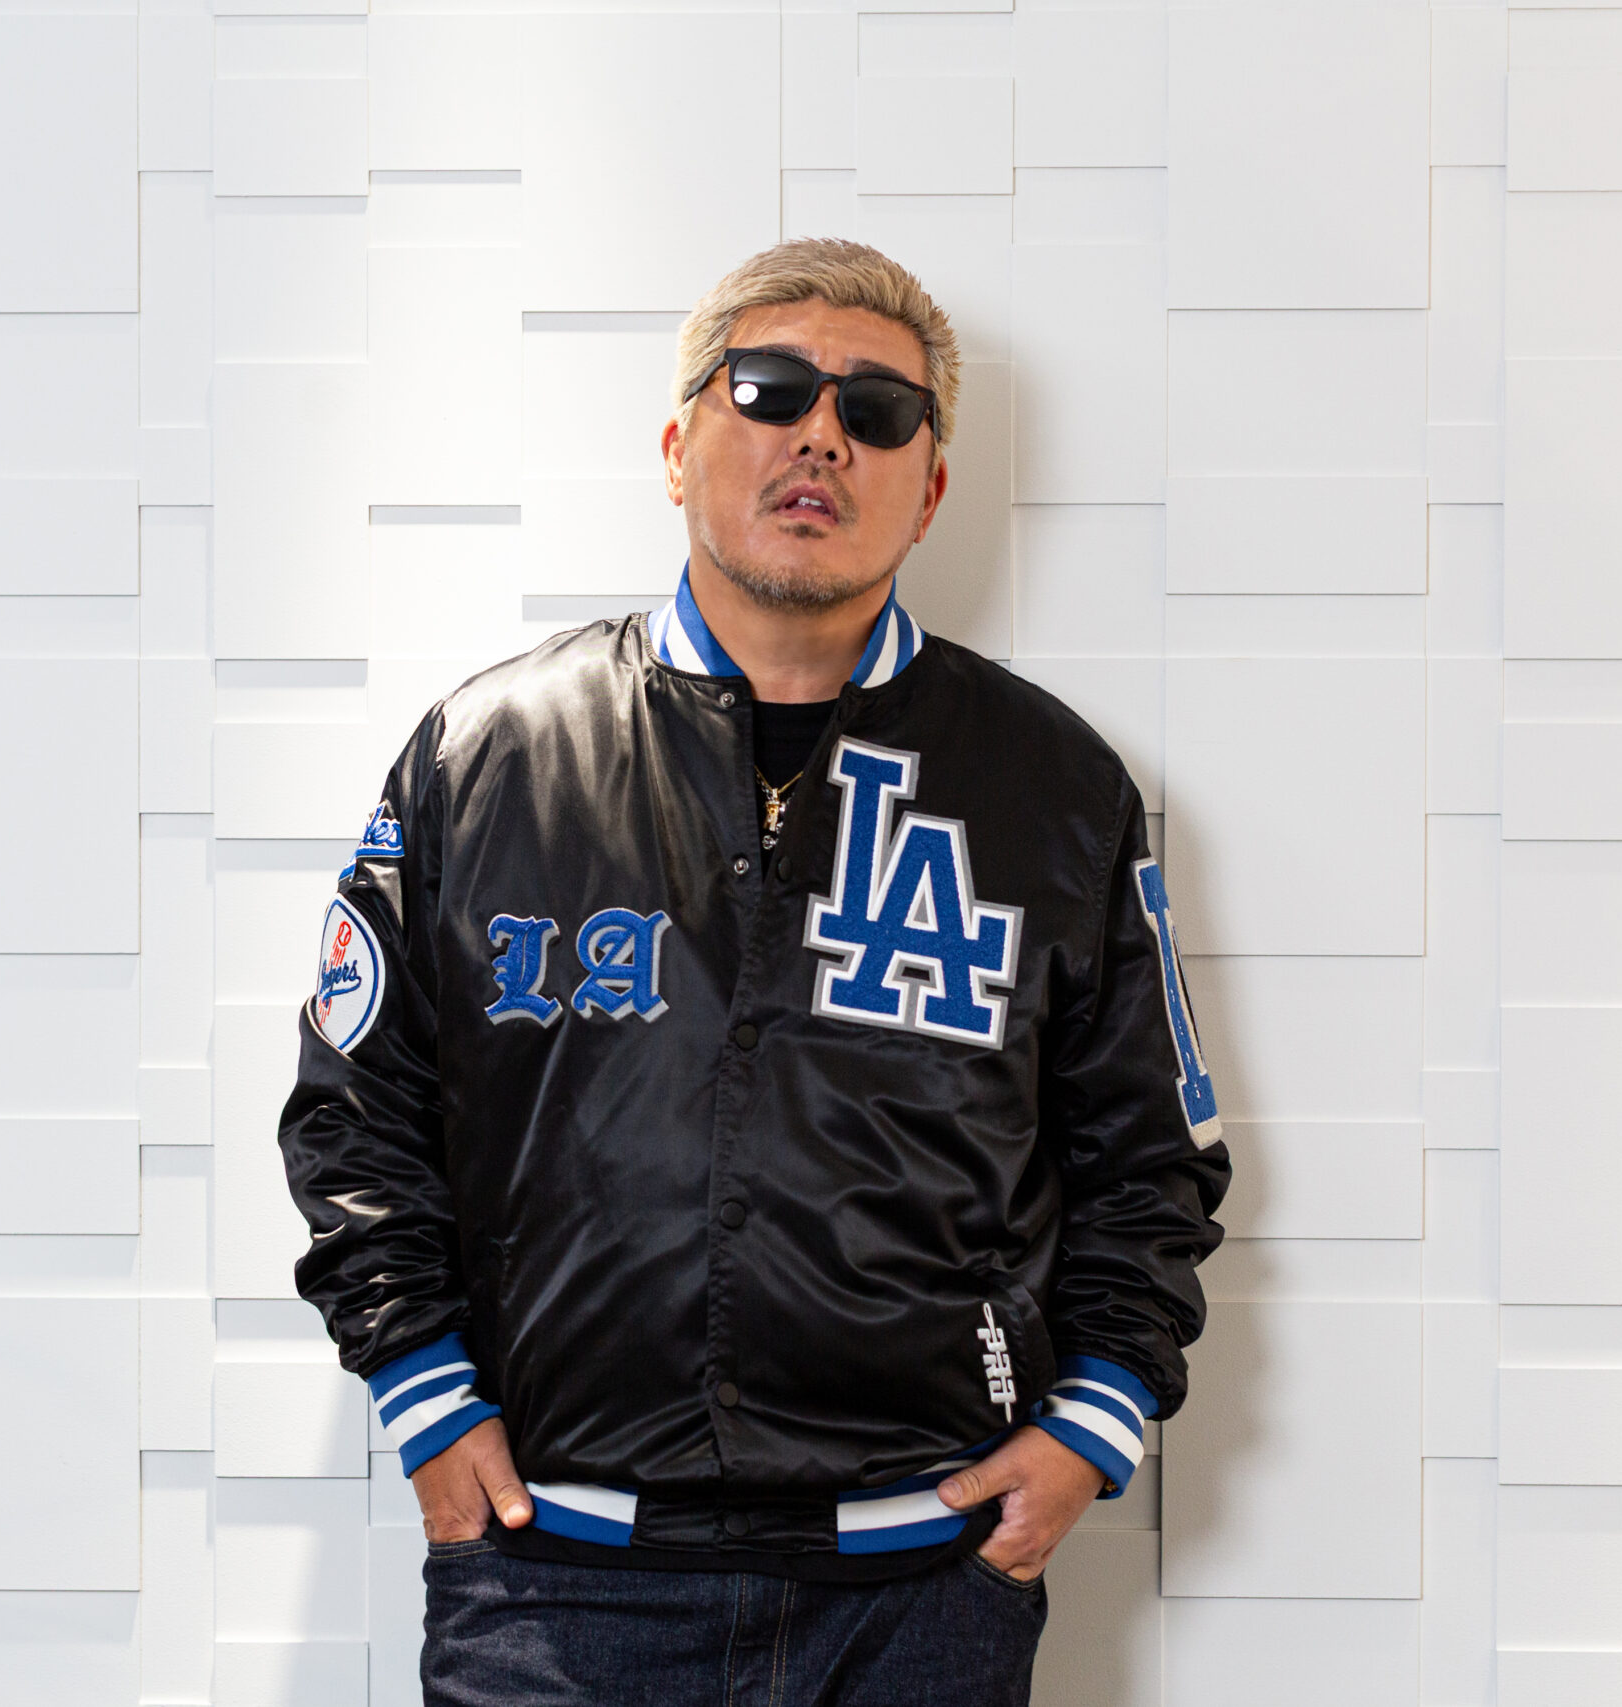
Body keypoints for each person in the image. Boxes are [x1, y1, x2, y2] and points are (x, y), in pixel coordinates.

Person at [279, 237, 1231, 1707]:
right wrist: (423, 1393)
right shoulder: (490, 759)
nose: (822, 436)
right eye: (770, 389)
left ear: (931, 487)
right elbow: (355, 1116)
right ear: (677, 448)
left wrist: (1091, 1423)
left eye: (879, 412)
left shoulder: (1051, 789)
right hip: (551, 1579)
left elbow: (1149, 1155)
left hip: (923, 1592)